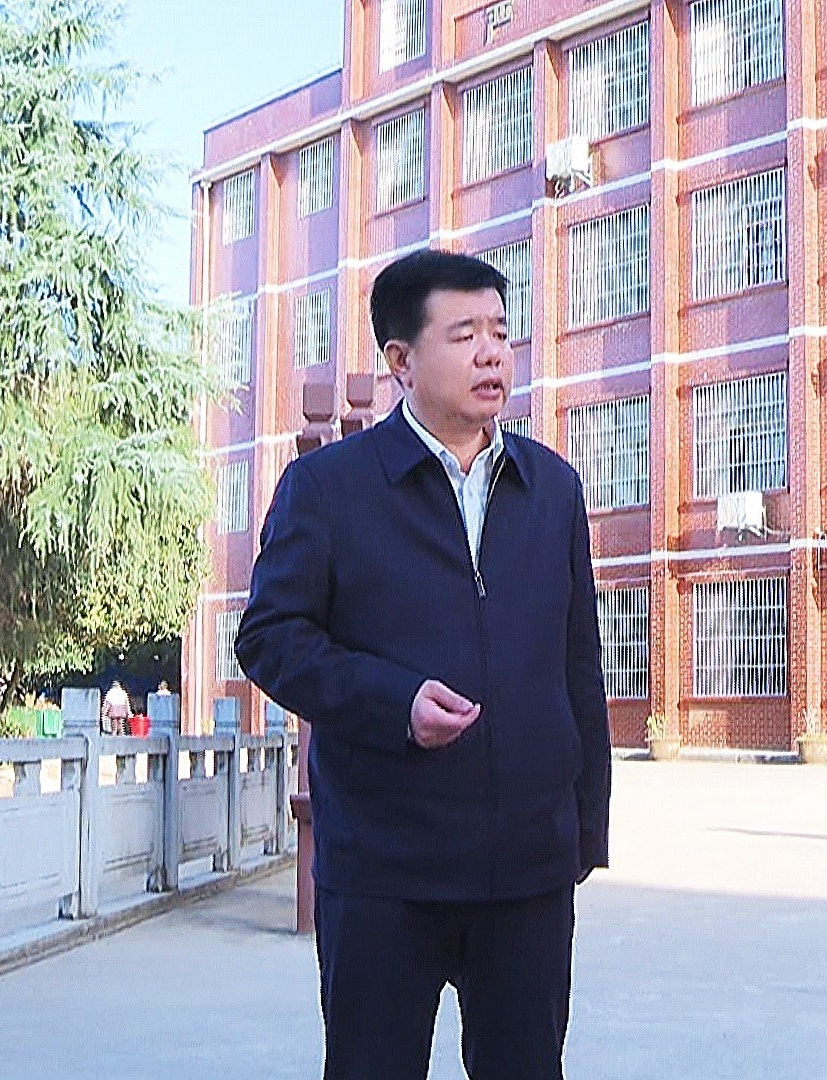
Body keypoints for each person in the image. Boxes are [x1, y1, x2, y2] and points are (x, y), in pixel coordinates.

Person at [236, 249, 611, 1080]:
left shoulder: (551, 489)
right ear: (401, 361)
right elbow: (269, 637)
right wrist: (393, 701)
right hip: (384, 869)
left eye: (501, 333)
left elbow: (578, 668)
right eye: (464, 334)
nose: (492, 354)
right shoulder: (328, 488)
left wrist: (582, 832)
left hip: (527, 873)